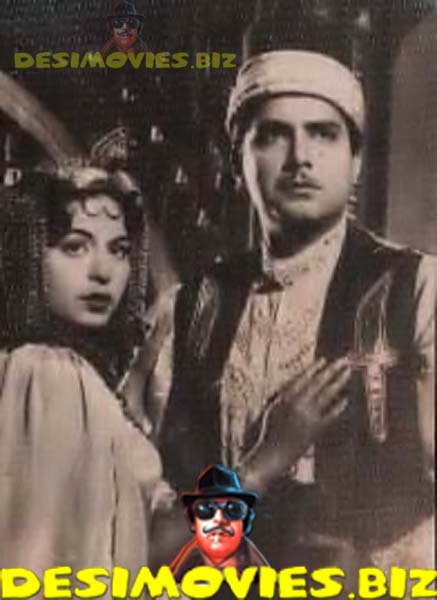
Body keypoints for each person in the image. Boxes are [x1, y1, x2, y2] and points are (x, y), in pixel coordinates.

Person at [157, 16, 435, 580]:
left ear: (356, 162)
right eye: (273, 135)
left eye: (323, 133)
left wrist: (384, 574)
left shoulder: (418, 289)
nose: (299, 157)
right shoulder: (192, 308)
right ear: (239, 161)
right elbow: (143, 516)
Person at [0, 161, 175, 585]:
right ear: (27, 254)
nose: (102, 272)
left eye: (119, 250)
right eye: (75, 247)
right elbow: (39, 570)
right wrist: (261, 466)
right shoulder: (49, 372)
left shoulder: (42, 370)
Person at [170, 464, 268, 580]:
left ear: (244, 523)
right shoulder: (185, 566)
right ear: (193, 521)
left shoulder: (263, 577)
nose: (219, 519)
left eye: (234, 510)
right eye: (205, 509)